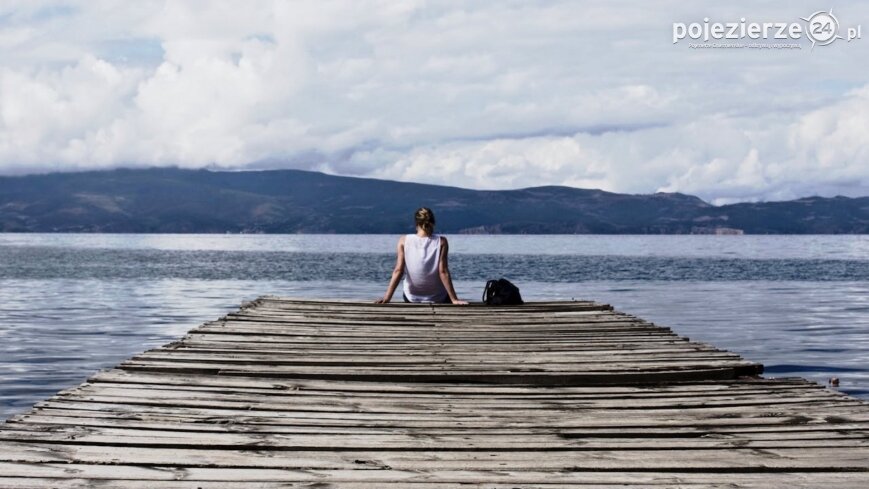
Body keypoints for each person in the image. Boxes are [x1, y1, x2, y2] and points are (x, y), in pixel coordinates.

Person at [376, 207, 467, 305]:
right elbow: (443, 272)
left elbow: (398, 271)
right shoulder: (441, 241)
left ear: (416, 224)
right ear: (433, 223)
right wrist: (454, 300)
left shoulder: (403, 240)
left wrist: (387, 297)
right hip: (438, 297)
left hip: (411, 297)